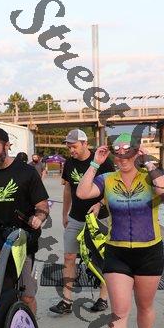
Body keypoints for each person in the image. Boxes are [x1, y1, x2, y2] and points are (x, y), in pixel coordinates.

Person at [76, 132, 164, 328]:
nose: (122, 160)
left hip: (149, 252)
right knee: (119, 310)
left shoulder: (150, 178)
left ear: (136, 153)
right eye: (118, 156)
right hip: (117, 253)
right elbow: (82, 193)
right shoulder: (107, 179)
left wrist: (149, 161)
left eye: (128, 155)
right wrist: (95, 162)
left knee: (145, 306)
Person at [0, 126, 49, 314]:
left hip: (22, 240)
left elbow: (42, 206)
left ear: (7, 146)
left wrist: (38, 218)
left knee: (27, 295)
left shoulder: (27, 172)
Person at [49, 128, 114, 315]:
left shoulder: (103, 161)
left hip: (99, 219)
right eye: (69, 147)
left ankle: (103, 298)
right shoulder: (69, 163)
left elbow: (112, 187)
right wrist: (64, 213)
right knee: (69, 257)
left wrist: (100, 203)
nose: (71, 150)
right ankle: (66, 300)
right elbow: (68, 189)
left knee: (101, 258)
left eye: (74, 146)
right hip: (76, 217)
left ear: (85, 144)